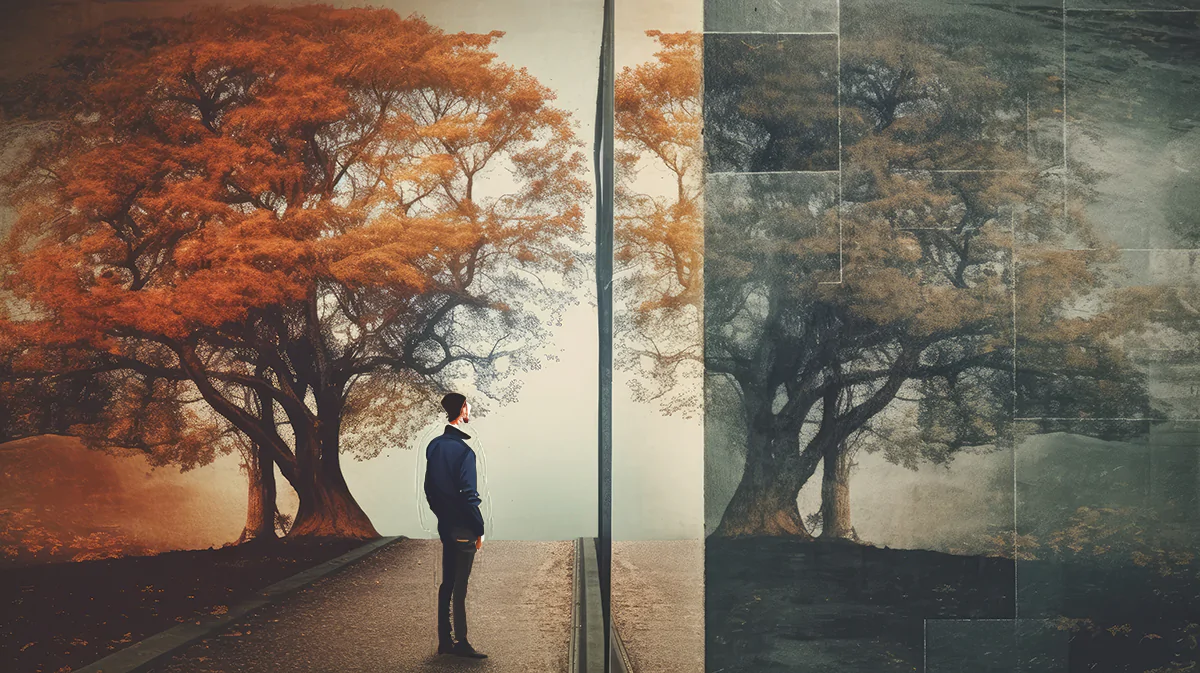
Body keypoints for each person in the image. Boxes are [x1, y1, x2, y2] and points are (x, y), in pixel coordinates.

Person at [423, 392, 488, 659]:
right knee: (460, 585)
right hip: (463, 525)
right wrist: (479, 527)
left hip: (446, 523)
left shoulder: (434, 446)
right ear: (462, 410)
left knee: (447, 582)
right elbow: (468, 494)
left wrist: (443, 515)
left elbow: (430, 489)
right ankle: (460, 641)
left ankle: (444, 640)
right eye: (466, 404)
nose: (469, 407)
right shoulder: (464, 451)